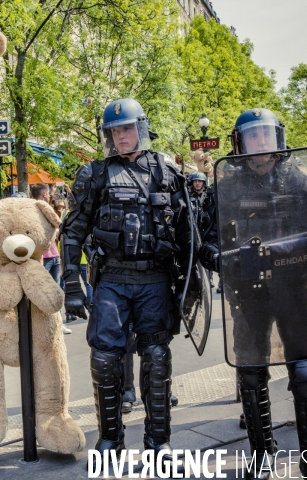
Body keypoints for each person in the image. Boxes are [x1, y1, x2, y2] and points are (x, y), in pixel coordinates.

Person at [61, 99, 192, 475]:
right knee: (105, 358)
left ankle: (158, 441)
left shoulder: (168, 172)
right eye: (114, 131)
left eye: (126, 129)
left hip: (155, 279)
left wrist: (188, 284)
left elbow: (187, 234)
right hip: (112, 281)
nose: (120, 136)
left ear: (142, 128)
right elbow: (73, 231)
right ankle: (111, 439)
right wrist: (71, 282)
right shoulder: (94, 174)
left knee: (156, 358)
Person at [218, 108, 307, 479]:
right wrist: (223, 259)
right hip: (249, 295)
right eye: (252, 137)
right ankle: (261, 456)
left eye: (265, 135)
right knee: (251, 374)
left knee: (305, 372)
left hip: (295, 290)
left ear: (277, 139)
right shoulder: (226, 187)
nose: (260, 143)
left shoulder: (299, 180)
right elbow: (204, 241)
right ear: (240, 143)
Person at [30, 184, 71, 335]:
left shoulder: (48, 210)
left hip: (53, 255)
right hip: (44, 257)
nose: (50, 196)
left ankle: (57, 323)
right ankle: (43, 325)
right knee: (44, 292)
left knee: (56, 292)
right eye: (48, 193)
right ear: (44, 194)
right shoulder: (34, 210)